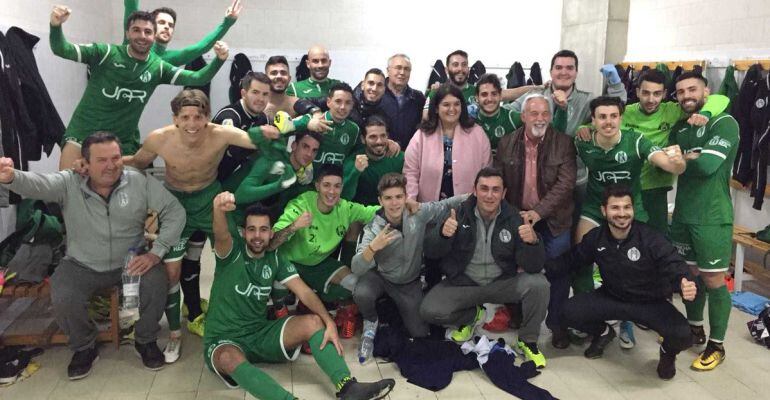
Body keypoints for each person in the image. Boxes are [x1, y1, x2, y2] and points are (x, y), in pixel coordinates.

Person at [0, 132, 185, 379]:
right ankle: (84, 347)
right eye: (102, 160)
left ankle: (146, 340)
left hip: (131, 262)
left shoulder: (138, 181)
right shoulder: (69, 182)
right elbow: (39, 184)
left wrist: (156, 252)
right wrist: (12, 177)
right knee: (63, 291)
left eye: (116, 158)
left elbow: (175, 211)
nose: (111, 165)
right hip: (82, 264)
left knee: (157, 280)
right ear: (85, 163)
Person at [122, 89, 272, 363]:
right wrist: (101, 164)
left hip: (208, 198)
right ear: (176, 118)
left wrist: (287, 126)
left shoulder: (220, 133)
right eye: (186, 117)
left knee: (233, 257)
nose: (192, 124)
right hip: (174, 203)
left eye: (198, 117)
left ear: (206, 117)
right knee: (172, 272)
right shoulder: (159, 138)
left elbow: (253, 139)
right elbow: (138, 162)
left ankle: (236, 321)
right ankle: (175, 335)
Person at [205, 193, 395, 400]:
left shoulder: (275, 258)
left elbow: (304, 292)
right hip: (224, 339)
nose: (257, 236)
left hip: (259, 333)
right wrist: (218, 208)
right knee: (227, 358)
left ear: (271, 233)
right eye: (252, 230)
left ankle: (348, 388)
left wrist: (328, 322)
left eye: (263, 229)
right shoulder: (231, 253)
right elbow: (221, 233)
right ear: (244, 233)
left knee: (314, 322)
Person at [49, 6, 228, 170]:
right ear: (127, 33)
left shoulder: (158, 67)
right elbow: (61, 49)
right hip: (82, 133)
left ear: (153, 35)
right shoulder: (106, 53)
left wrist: (219, 59)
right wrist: (56, 25)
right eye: (136, 30)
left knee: (118, 196)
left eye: (148, 32)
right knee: (67, 190)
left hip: (121, 140)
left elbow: (199, 77)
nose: (142, 36)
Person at [556, 185, 697, 380]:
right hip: (611, 297)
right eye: (615, 208)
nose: (622, 214)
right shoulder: (596, 238)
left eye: (627, 207)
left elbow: (673, 262)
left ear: (633, 210)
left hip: (650, 303)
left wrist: (684, 281)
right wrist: (541, 267)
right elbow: (572, 260)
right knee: (565, 312)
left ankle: (667, 353)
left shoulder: (650, 238)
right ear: (604, 211)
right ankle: (604, 332)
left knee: (683, 336)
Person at [421, 167, 550, 368]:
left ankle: (528, 341)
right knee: (429, 310)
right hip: (464, 283)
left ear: (504, 193)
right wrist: (443, 236)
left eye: (495, 190)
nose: (489, 195)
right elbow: (430, 251)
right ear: (475, 190)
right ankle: (475, 315)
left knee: (539, 284)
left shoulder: (515, 217)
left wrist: (532, 242)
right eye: (484, 188)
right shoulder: (458, 213)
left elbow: (534, 266)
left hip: (502, 283)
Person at [575, 69, 729, 234]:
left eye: (656, 94)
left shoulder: (672, 110)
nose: (651, 99)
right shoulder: (625, 112)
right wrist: (584, 128)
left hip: (656, 186)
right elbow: (602, 122)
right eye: (646, 93)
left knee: (655, 239)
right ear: (637, 92)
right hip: (625, 188)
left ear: (664, 94)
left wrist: (706, 113)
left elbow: (721, 98)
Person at [351, 173, 467, 363]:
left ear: (406, 197)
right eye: (388, 198)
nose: (394, 203)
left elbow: (444, 205)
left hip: (408, 283)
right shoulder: (374, 227)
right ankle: (370, 322)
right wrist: (373, 248)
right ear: (380, 200)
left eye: (398, 197)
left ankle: (392, 309)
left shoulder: (417, 213)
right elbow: (356, 267)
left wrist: (474, 196)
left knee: (420, 332)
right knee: (361, 292)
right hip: (381, 277)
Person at [669, 71, 739, 371]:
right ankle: (695, 328)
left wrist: (685, 158)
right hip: (683, 214)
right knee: (691, 276)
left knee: (713, 280)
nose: (687, 96)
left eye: (692, 89)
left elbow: (709, 165)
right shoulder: (679, 127)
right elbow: (674, 161)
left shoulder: (724, 122)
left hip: (712, 217)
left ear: (706, 91)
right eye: (681, 91)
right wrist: (690, 156)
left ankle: (717, 344)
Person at [494, 94, 577, 349]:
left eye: (544, 114)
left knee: (558, 271)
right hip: (518, 216)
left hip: (554, 220)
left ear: (550, 117)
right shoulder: (507, 143)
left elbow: (565, 184)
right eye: (534, 114)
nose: (539, 119)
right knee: (514, 267)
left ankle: (557, 324)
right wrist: (510, 214)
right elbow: (499, 182)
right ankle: (518, 312)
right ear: (523, 117)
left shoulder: (563, 143)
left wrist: (538, 212)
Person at [270, 165, 380, 337]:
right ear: (317, 186)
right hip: (289, 263)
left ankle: (322, 305)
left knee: (354, 285)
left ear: (342, 188)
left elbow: (374, 212)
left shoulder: (345, 207)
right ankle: (279, 308)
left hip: (318, 264)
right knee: (278, 283)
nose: (332, 191)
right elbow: (271, 243)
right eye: (326, 185)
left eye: (337, 186)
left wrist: (403, 205)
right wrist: (294, 226)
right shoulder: (301, 204)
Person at [404, 83, 491, 202]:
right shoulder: (421, 136)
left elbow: (487, 172)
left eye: (456, 104)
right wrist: (411, 200)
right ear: (436, 108)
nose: (452, 109)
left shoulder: (478, 134)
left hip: (469, 208)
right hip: (428, 209)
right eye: (446, 105)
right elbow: (410, 173)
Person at [122, 0, 242, 66]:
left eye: (170, 25)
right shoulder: (132, 43)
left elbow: (201, 48)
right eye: (162, 22)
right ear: (151, 27)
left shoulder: (168, 58)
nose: (167, 27)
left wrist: (228, 22)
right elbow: (131, 6)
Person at [423, 50, 535, 120]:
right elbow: (425, 117)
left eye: (464, 65)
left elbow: (511, 93)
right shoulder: (436, 91)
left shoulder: (479, 91)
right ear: (447, 69)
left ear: (468, 68)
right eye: (455, 65)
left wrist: (538, 87)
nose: (460, 69)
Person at [342, 115, 405, 206]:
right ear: (363, 139)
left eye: (383, 136)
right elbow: (344, 197)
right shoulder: (353, 161)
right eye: (373, 137)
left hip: (393, 213)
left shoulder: (399, 158)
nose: (379, 141)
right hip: (363, 216)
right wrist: (355, 171)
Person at [380, 54, 427, 150]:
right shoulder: (377, 94)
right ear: (388, 71)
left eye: (406, 69)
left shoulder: (418, 98)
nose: (402, 72)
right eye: (398, 68)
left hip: (409, 154)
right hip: (380, 154)